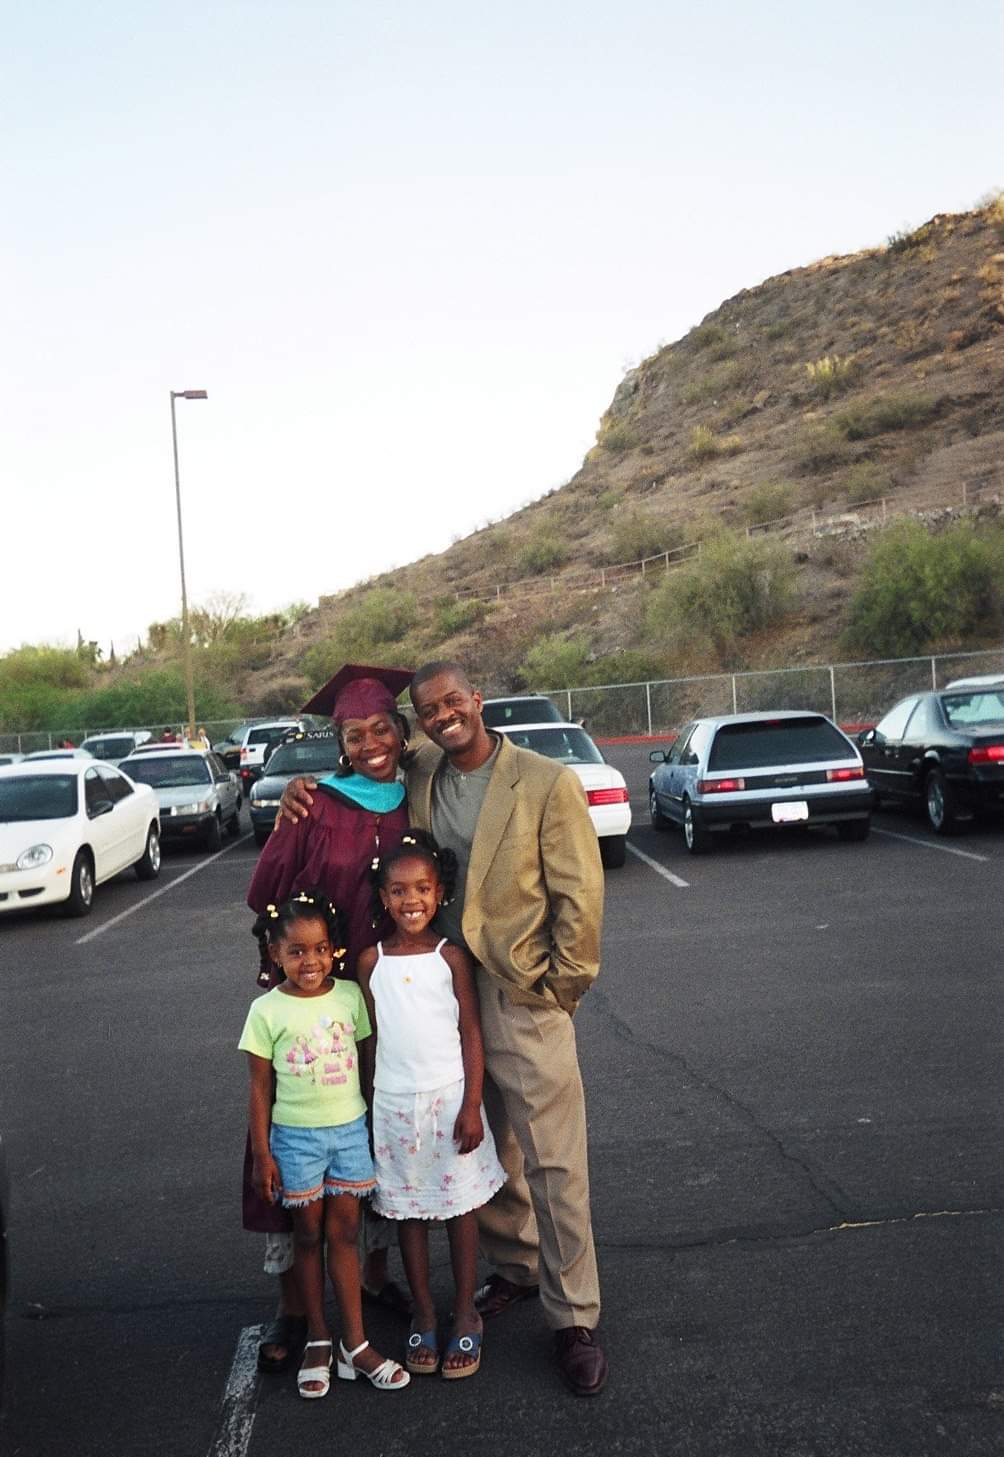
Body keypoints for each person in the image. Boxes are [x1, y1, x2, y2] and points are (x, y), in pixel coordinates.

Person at [281, 660, 608, 1396]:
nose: (442, 715)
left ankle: (575, 1316)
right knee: (488, 1150)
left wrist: (561, 987)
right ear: (419, 720)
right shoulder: (424, 768)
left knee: (554, 1159)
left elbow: (580, 900)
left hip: (519, 993)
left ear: (477, 700)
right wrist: (295, 794)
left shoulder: (546, 783)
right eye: (428, 708)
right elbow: (362, 767)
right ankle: (518, 1267)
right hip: (433, 995)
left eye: (454, 701)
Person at [246, 663, 414, 1374]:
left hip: (388, 995)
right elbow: (265, 893)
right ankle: (293, 1305)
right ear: (340, 741)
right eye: (356, 731)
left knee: (369, 1128)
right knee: (296, 1129)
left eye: (382, 727)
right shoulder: (315, 802)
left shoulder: (416, 794)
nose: (371, 741)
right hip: (314, 994)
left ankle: (372, 1277)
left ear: (400, 733)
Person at [240, 889, 410, 1399]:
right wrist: (264, 1155)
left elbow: (367, 1064)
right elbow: (259, 1088)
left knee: (345, 1234)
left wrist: (376, 1127)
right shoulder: (265, 1011)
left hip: (350, 1132)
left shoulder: (349, 996)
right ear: (275, 953)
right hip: (294, 1142)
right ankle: (318, 1336)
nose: (309, 961)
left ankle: (354, 1344)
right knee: (307, 1237)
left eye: (318, 949)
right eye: (295, 951)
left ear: (333, 948)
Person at [357, 832, 506, 1380]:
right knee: (408, 1213)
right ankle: (423, 1310)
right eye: (397, 890)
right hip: (394, 1109)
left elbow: (470, 1032)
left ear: (439, 892)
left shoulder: (451, 957)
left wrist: (471, 1104)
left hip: (449, 1104)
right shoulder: (371, 960)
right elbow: (370, 1040)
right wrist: (371, 1106)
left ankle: (465, 1310)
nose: (410, 900)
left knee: (460, 1211)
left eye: (421, 888)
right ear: (383, 897)